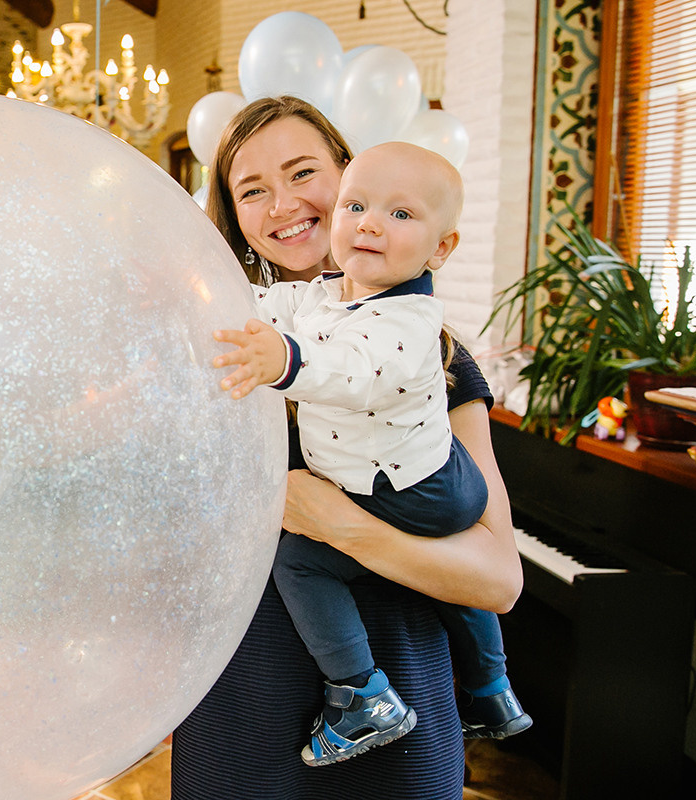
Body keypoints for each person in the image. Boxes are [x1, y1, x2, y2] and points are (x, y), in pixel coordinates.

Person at [170, 96, 523, 799]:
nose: (283, 205)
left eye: (305, 173)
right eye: (252, 191)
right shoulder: (209, 351)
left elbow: (497, 579)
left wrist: (338, 525)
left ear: (348, 176)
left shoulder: (433, 359)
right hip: (237, 705)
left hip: (396, 710)